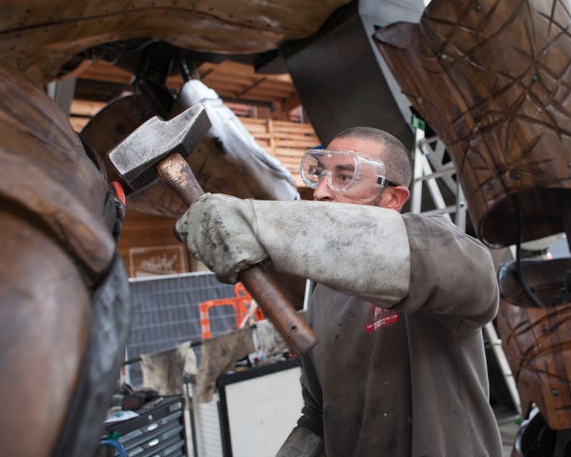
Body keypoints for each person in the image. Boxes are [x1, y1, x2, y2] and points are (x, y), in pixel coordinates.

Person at [175, 126, 503, 456]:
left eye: (345, 176)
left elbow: (475, 275)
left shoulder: (440, 259)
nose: (320, 192)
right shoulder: (322, 295)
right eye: (319, 175)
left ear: (392, 199)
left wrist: (256, 222)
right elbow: (319, 415)